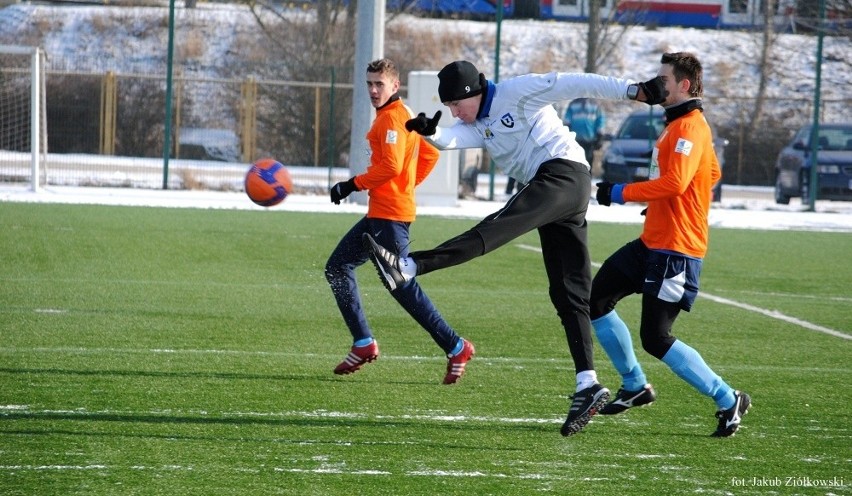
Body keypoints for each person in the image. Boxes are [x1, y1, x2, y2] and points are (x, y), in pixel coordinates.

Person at [363, 60, 667, 436]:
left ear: (473, 92)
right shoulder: (477, 122)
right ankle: (587, 384)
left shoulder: (516, 92)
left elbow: (573, 82)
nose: (456, 113)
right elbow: (456, 138)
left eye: (457, 104)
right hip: (560, 192)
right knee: (569, 294)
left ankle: (410, 267)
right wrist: (432, 133)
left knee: (497, 226)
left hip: (563, 174)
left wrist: (632, 90)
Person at [593, 52, 751, 437]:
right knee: (595, 300)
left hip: (676, 249)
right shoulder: (679, 124)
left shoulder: (689, 128)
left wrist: (619, 192)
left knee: (656, 337)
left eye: (663, 79)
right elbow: (710, 172)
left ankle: (728, 397)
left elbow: (677, 183)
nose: (655, 84)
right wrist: (669, 206)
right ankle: (634, 386)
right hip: (654, 241)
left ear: (684, 85)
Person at [326, 58, 475, 385]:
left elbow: (392, 167)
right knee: (338, 267)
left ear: (395, 86)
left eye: (380, 84)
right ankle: (363, 342)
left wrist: (352, 185)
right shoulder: (403, 116)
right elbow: (430, 154)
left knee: (401, 286)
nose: (373, 90)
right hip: (383, 212)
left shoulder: (392, 120)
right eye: (369, 84)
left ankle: (455, 345)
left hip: (389, 216)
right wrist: (406, 186)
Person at [563, 97, 605, 168]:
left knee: (587, 164)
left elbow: (600, 121)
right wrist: (566, 135)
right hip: (575, 141)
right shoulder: (573, 104)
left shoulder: (595, 105)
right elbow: (567, 121)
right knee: (575, 163)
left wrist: (600, 136)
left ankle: (587, 178)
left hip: (590, 141)